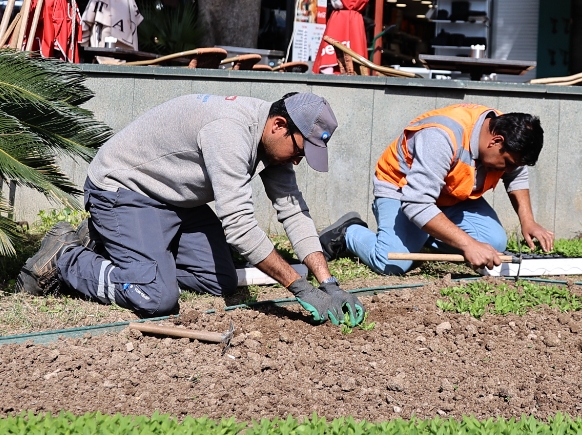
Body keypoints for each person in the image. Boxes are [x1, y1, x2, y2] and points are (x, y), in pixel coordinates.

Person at [16, 92, 365, 325]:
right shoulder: (230, 133)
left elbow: (293, 211)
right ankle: (66, 259)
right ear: (279, 126)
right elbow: (241, 228)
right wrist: (301, 289)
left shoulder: (271, 134)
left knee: (220, 280)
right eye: (301, 150)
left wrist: (328, 283)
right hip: (126, 190)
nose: (299, 160)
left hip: (173, 199)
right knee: (155, 297)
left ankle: (123, 248)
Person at [319, 103, 553, 275]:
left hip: (450, 194)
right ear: (496, 142)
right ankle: (348, 233)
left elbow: (517, 171)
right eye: (508, 163)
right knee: (390, 264)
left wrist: (528, 220)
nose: (509, 169)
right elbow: (417, 203)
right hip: (404, 192)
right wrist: (467, 243)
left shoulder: (506, 129)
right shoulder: (441, 137)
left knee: (494, 244)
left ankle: (425, 231)